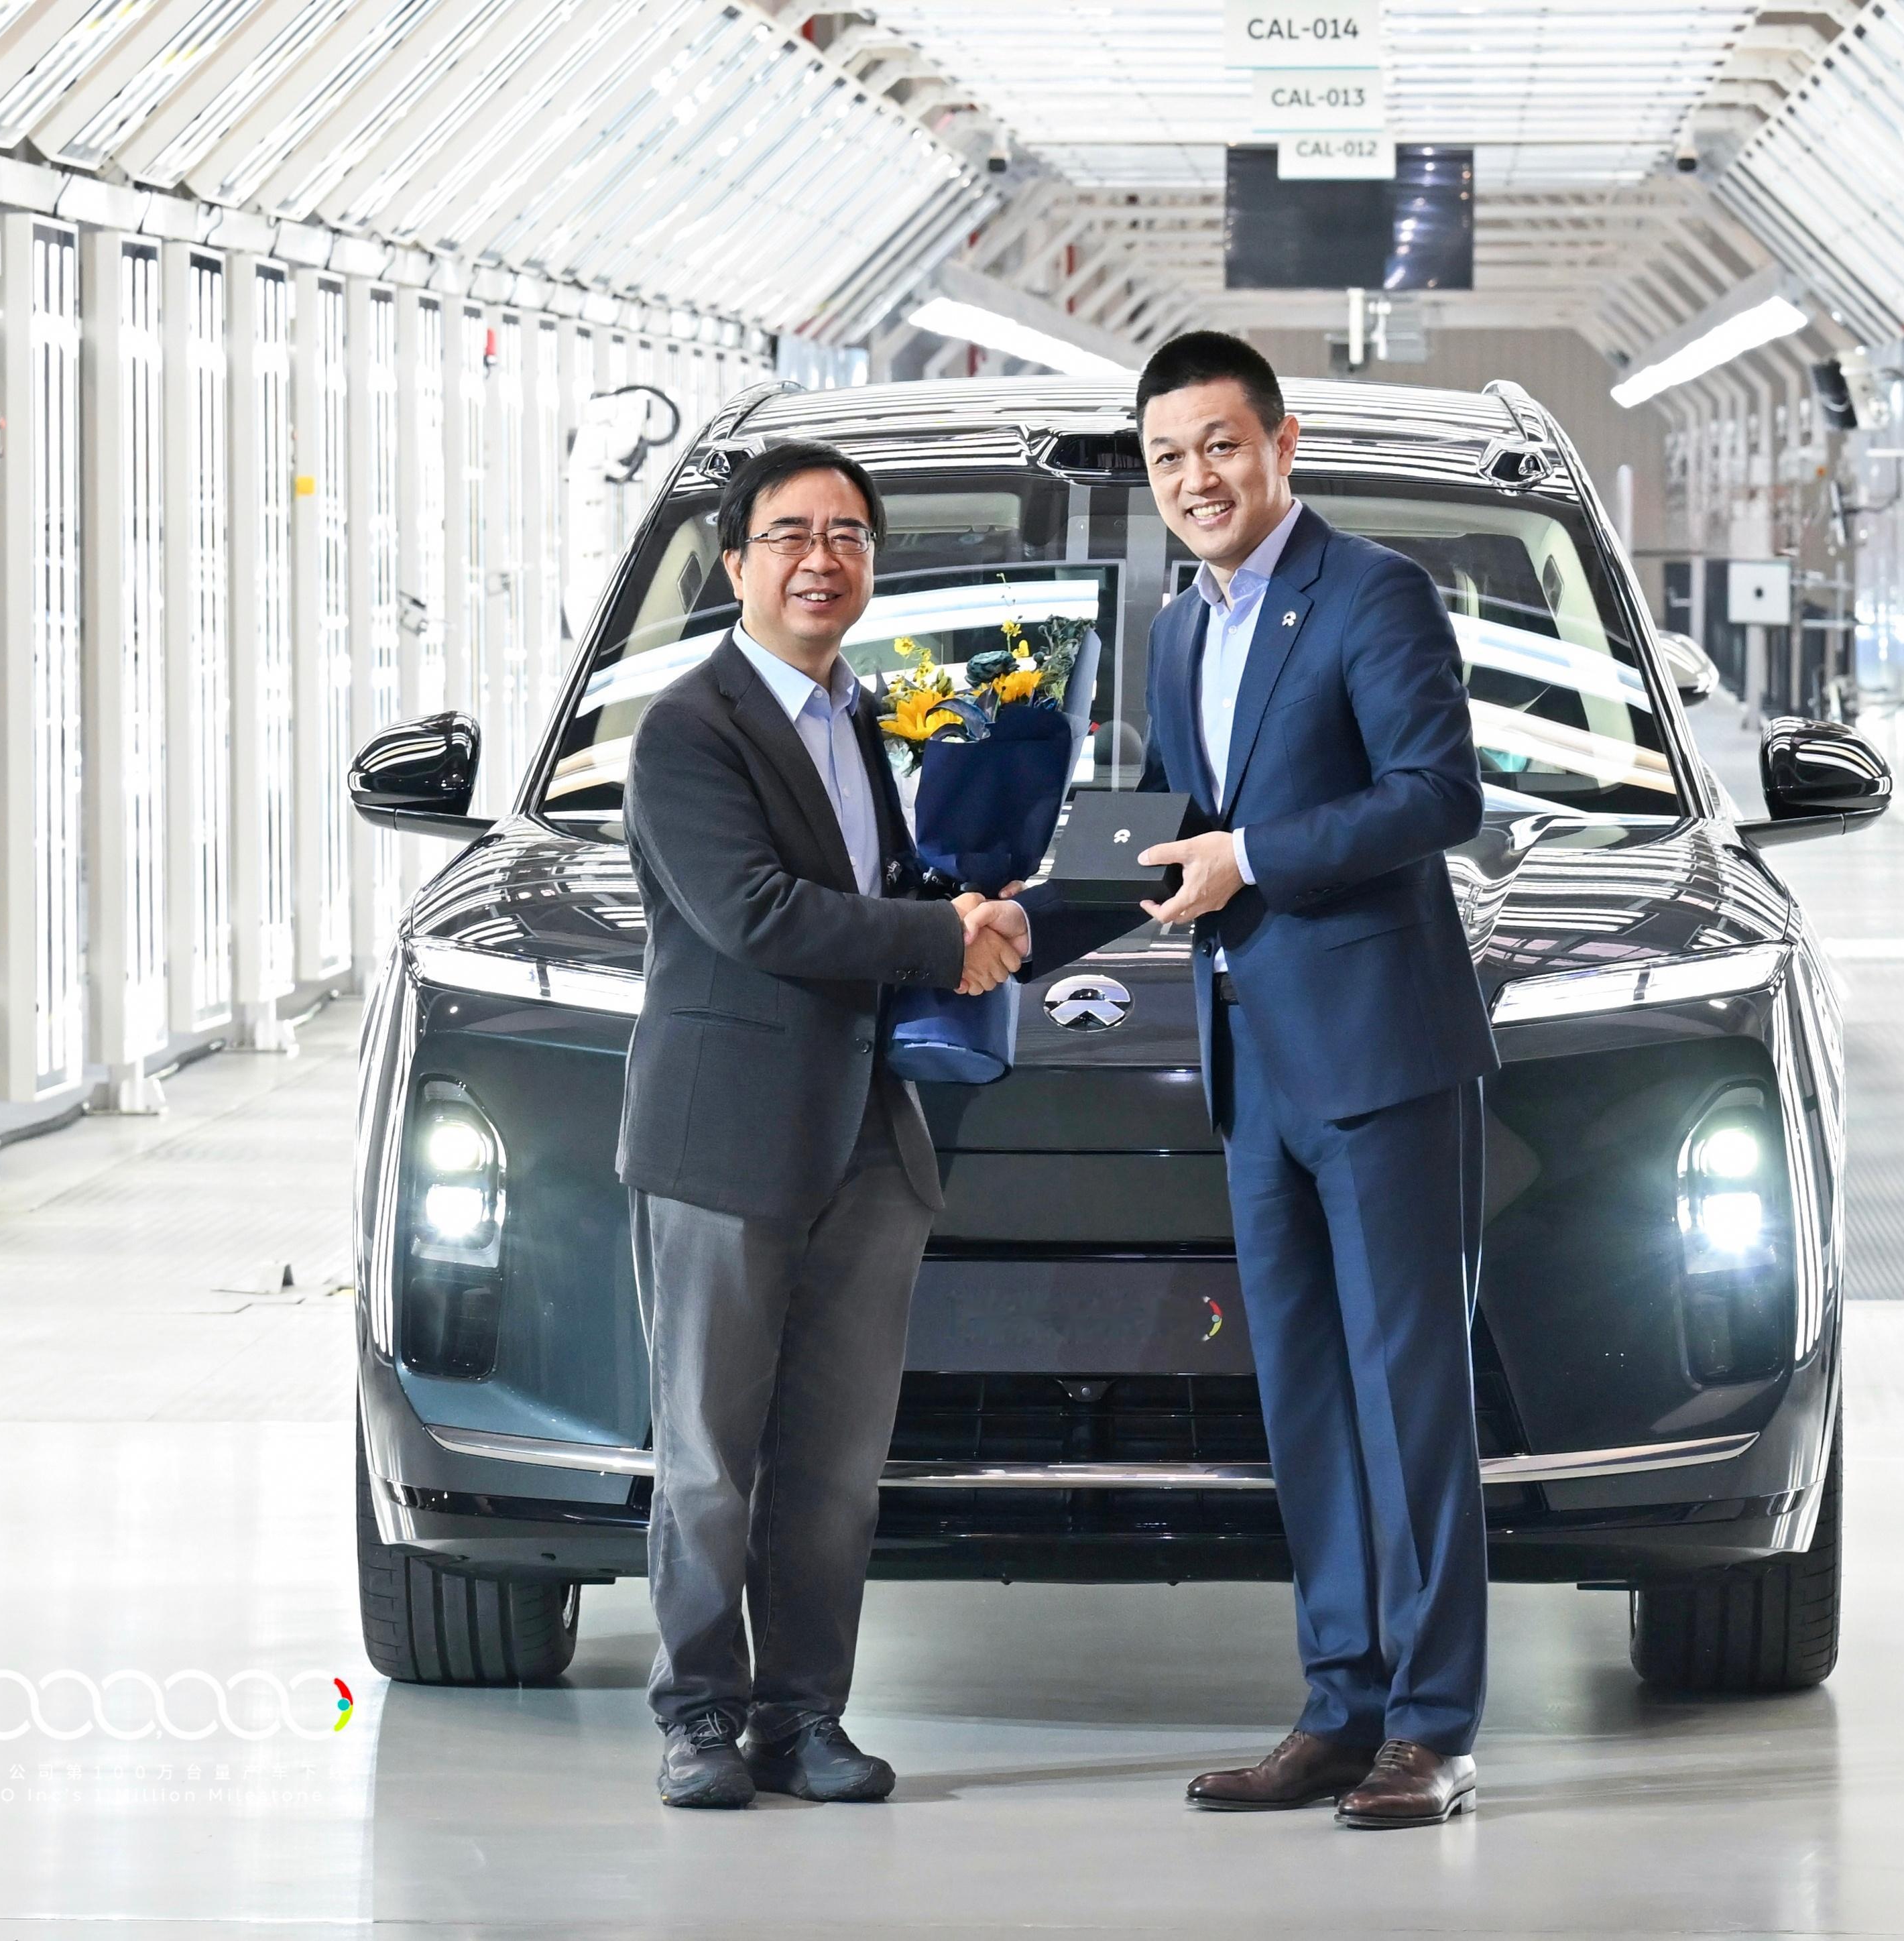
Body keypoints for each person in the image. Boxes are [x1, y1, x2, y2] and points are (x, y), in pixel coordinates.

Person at [616, 440, 1030, 1810]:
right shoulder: (690, 727)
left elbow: (872, 883)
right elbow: (757, 913)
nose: (821, 559)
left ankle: (804, 1720)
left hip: (865, 1135)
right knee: (709, 1458)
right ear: (736, 563)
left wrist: (984, 905)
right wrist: (939, 937)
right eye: (790, 535)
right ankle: (698, 1716)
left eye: (848, 535)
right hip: (727, 1137)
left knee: (836, 1467)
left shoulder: (858, 715)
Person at [1128, 331, 1498, 1828]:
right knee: (1305, 1400)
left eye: (1221, 444)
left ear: (1283, 445)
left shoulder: (1372, 592)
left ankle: (1433, 1724)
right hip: (1251, 1060)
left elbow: (1438, 793)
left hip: (1377, 1052)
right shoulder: (1177, 629)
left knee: (1410, 1394)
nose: (1197, 478)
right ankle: (1339, 1704)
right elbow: (1184, 825)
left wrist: (1254, 858)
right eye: (1169, 457)